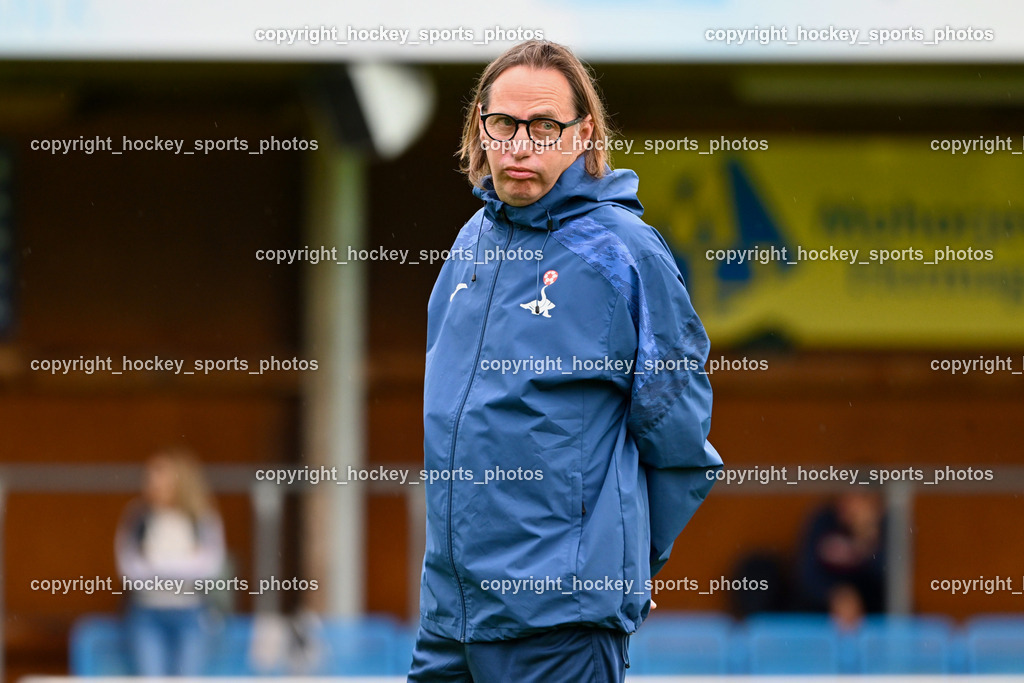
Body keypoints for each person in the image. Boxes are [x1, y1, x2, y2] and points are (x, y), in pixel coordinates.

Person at [409, 40, 722, 682]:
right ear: (481, 128)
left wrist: (614, 566)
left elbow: (680, 444)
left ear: (582, 135)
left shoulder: (623, 253)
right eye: (504, 124)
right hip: (449, 621)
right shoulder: (469, 244)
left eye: (544, 126)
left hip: (559, 627)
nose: (521, 145)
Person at [115, 448, 226, 675]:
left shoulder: (201, 517)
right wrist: (182, 565)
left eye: (159, 474)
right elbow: (130, 570)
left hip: (190, 614)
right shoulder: (139, 516)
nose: (151, 481)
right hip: (147, 614)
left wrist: (156, 564)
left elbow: (209, 567)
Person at [795, 490, 887, 630]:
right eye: (846, 496)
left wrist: (866, 535)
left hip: (872, 612)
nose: (849, 504)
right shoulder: (824, 521)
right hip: (822, 609)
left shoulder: (890, 527)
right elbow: (806, 573)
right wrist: (835, 594)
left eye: (860, 498)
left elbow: (892, 582)